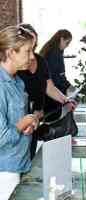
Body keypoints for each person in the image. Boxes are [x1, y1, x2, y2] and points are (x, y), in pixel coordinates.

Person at [17, 24, 76, 159]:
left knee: (30, 155)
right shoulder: (15, 66)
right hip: (21, 119)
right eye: (28, 48)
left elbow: (49, 87)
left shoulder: (40, 61)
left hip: (36, 118)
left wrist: (66, 100)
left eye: (34, 45)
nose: (32, 54)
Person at [0, 26, 38, 200]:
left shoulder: (18, 81)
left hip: (21, 163)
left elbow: (18, 121)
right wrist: (22, 124)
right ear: (10, 52)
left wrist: (29, 124)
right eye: (28, 51)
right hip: (5, 171)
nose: (32, 57)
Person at [40, 29, 72, 121]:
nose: (67, 46)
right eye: (67, 43)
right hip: (53, 94)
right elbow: (56, 77)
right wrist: (66, 90)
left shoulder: (50, 51)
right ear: (61, 39)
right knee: (54, 120)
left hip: (49, 93)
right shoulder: (54, 54)